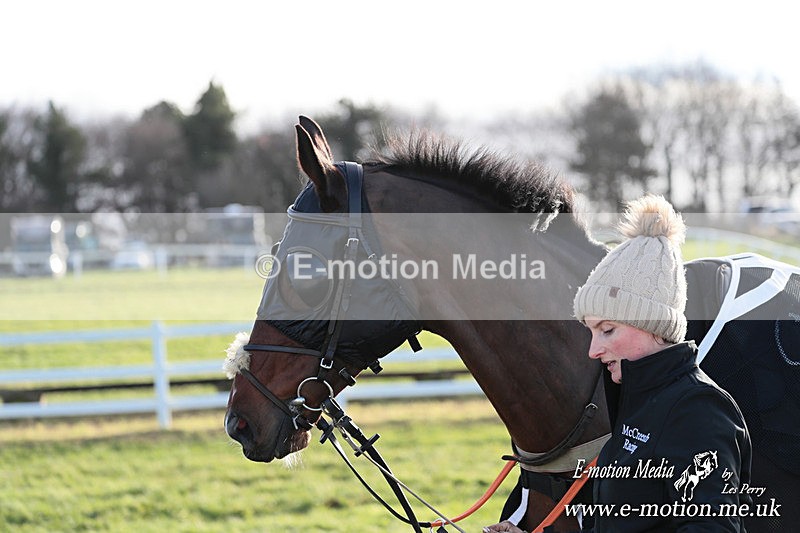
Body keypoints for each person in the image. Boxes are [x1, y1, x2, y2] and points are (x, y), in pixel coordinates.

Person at [486, 195, 752, 532]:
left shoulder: (697, 408)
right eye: (592, 332)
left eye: (607, 330)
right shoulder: (636, 402)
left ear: (652, 325)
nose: (593, 350)